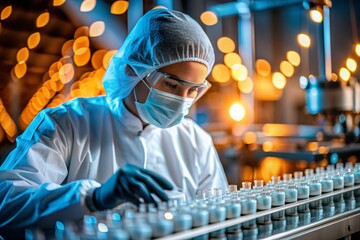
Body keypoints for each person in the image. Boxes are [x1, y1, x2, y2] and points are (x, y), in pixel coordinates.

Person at [0, 8, 228, 237]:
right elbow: (8, 205)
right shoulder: (65, 124)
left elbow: (220, 218)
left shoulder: (196, 141)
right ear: (134, 69)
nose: (181, 101)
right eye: (171, 85)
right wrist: (93, 198)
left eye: (193, 90)